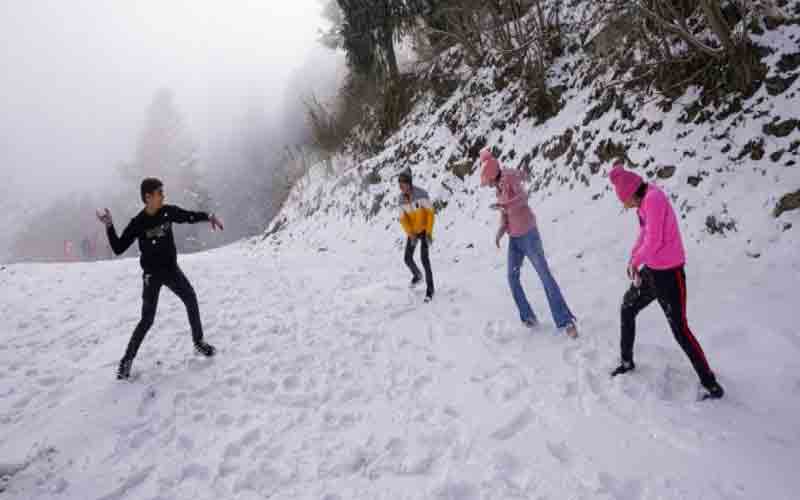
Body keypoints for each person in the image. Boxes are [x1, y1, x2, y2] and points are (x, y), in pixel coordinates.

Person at [608, 163, 724, 399]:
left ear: (631, 194)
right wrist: (633, 259)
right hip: (652, 271)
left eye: (623, 200)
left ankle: (711, 384)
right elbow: (643, 234)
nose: (623, 205)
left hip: (670, 275)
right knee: (627, 307)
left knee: (680, 330)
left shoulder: (654, 200)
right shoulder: (642, 203)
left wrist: (637, 260)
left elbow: (654, 241)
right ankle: (627, 361)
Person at [96, 177, 224, 380]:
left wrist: (209, 216)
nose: (163, 196)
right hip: (151, 276)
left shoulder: (168, 211)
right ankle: (126, 362)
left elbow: (188, 216)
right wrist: (110, 226)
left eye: (163, 193)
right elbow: (118, 248)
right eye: (160, 193)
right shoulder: (138, 223)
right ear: (148, 197)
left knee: (190, 298)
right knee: (147, 320)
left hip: (171, 270)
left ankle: (198, 342)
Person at [480, 148, 578, 338]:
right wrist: (501, 230)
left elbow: (523, 198)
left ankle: (566, 321)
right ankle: (528, 316)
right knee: (512, 277)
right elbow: (505, 211)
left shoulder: (509, 178)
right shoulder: (499, 186)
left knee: (544, 276)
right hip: (514, 238)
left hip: (529, 234)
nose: (489, 185)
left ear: (492, 174)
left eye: (489, 181)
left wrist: (504, 205)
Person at [398, 169, 435, 302]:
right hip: (413, 231)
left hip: (425, 230)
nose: (400, 186)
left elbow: (431, 213)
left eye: (402, 183)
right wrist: (411, 234)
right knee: (407, 258)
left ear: (409, 183)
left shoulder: (421, 194)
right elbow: (403, 219)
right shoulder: (401, 199)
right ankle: (418, 275)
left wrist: (429, 233)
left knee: (425, 259)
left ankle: (430, 290)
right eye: (399, 184)